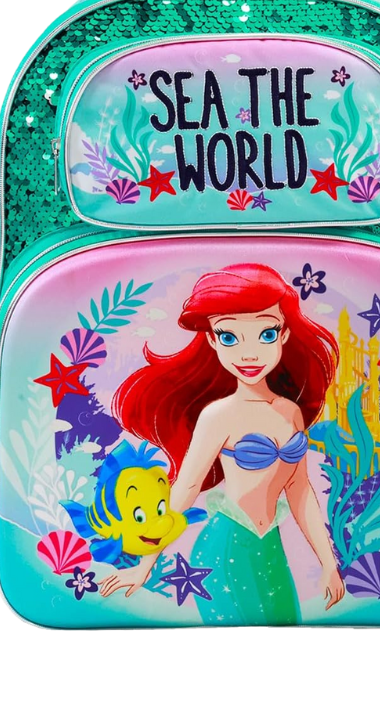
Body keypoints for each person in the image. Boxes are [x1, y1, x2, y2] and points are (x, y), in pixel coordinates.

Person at [100, 263, 346, 623]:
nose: (249, 354)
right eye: (230, 337)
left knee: (286, 628)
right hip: (226, 544)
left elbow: (299, 491)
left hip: (270, 543)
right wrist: (145, 564)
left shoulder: (290, 412)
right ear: (213, 340)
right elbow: (185, 489)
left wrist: (328, 563)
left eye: (265, 334)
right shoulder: (218, 416)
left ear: (284, 335)